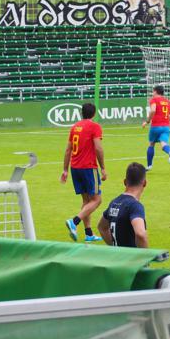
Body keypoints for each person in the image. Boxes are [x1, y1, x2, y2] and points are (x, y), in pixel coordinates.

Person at [98, 162, 170, 339]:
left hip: (119, 270)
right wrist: (145, 257)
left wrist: (117, 250)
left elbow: (101, 227)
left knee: (129, 320)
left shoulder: (115, 202)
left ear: (125, 181)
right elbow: (140, 233)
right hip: (135, 272)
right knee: (149, 319)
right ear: (145, 183)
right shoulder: (135, 206)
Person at [61, 102, 106, 242]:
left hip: (75, 168)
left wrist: (65, 170)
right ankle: (74, 221)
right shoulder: (95, 126)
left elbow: (68, 149)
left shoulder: (75, 127)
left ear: (82, 113)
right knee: (97, 200)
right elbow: (98, 148)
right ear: (94, 113)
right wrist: (103, 168)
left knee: (86, 201)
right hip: (88, 167)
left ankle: (88, 233)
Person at [141, 85, 170, 171]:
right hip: (166, 127)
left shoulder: (154, 100)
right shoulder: (168, 101)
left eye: (153, 91)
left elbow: (153, 110)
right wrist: (165, 119)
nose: (152, 93)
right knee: (163, 144)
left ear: (156, 91)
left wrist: (147, 121)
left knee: (151, 144)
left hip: (156, 126)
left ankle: (149, 166)